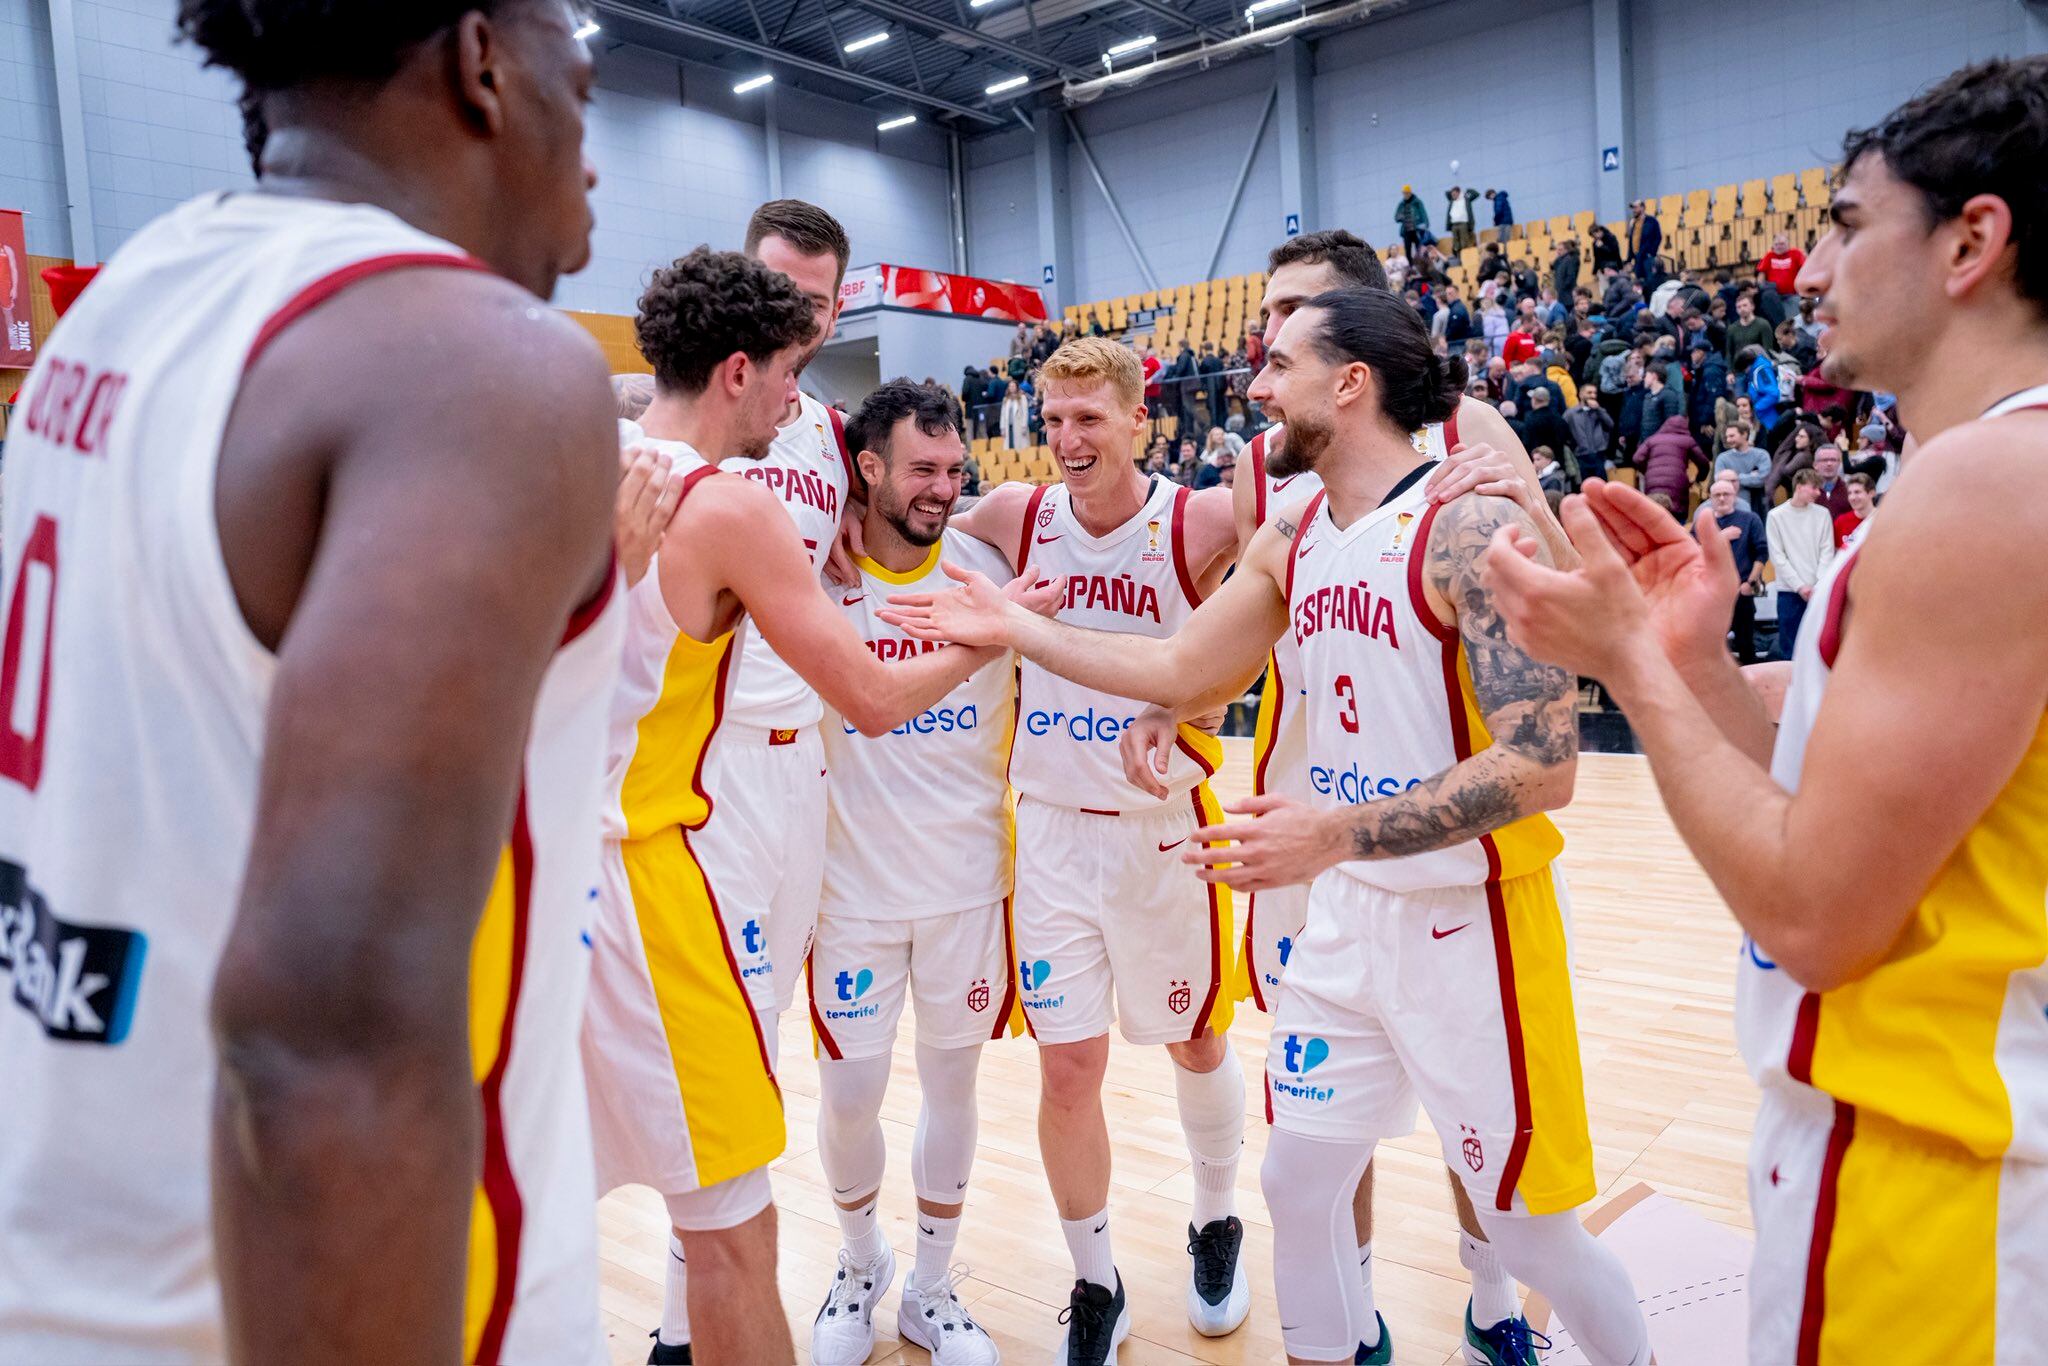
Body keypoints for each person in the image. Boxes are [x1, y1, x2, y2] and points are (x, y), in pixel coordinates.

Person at [0, 2, 629, 1360]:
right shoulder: (481, 371)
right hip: (316, 1307)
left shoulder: (128, 297)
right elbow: (328, 1037)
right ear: (481, 65)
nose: (593, 152)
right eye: (580, 81)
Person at [884, 287, 1648, 1366]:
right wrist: (1014, 623)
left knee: (1529, 1226)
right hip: (1340, 918)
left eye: (1276, 364)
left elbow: (1542, 765)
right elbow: (1178, 668)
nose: (1251, 386)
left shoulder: (1467, 522)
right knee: (1295, 1183)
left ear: (1350, 382)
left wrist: (1331, 834)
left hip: (1465, 921)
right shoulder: (1294, 532)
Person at [1481, 55, 2048, 1363]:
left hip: (1933, 1180)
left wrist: (1623, 661)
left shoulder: (1985, 487)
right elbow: (1845, 791)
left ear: (1973, 240)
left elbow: (1814, 915)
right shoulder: (1990, 475)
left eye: (1849, 224)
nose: (1809, 263)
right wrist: (1689, 661)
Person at [588, 250, 1052, 1366]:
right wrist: (986, 635)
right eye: (792, 373)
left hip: (539, 875)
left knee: (535, 1206)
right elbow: (878, 696)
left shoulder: (576, 463)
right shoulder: (726, 505)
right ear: (740, 370)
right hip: (656, 872)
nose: (803, 404)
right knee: (736, 1227)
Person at [899, 337, 1248, 1363]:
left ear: (1139, 418)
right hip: (1047, 834)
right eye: (1051, 418)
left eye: (1087, 418)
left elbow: (1282, 577)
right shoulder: (1016, 516)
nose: (1065, 439)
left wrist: (1192, 700)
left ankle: (1215, 1215)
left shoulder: (1197, 520)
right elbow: (902, 535)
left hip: (1162, 837)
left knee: (1194, 1039)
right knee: (1065, 1072)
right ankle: (1095, 1280)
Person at [806, 381, 1014, 1366]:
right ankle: (860, 1262)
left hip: (968, 885)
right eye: (920, 469)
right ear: (868, 470)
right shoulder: (814, 569)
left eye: (952, 468)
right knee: (848, 1094)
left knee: (951, 1085)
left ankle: (932, 1286)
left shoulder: (987, 565)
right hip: (846, 891)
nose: (942, 487)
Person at [1763, 468, 1834, 659]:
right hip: (1789, 591)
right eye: (1814, 488)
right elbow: (1778, 557)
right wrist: (1800, 586)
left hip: (1817, 590)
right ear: (1800, 487)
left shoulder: (1822, 514)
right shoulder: (1776, 516)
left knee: (1817, 646)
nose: (1818, 493)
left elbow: (1827, 552)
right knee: (1790, 647)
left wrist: (1818, 585)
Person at [1703, 476, 1769, 664]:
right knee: (1713, 646)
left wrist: (1751, 583)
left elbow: (1762, 553)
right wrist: (1720, 538)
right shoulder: (1704, 523)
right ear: (1710, 498)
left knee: (1746, 645)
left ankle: (1751, 689)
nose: (1722, 498)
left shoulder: (1750, 519)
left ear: (1735, 496)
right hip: (1713, 593)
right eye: (1717, 495)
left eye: (1726, 494)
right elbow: (1693, 552)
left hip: (1742, 591)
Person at [1636, 412, 1701, 511]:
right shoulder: (1687, 440)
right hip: (1677, 485)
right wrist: (1699, 478)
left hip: (1652, 485)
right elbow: (1703, 462)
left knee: (1653, 513)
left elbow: (1637, 458)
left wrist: (1647, 471)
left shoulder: (1652, 439)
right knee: (1676, 518)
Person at [1713, 421, 1771, 515]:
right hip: (1732, 509)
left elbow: (1762, 479)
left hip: (1758, 507)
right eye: (1727, 436)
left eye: (1732, 436)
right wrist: (1750, 476)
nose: (1728, 440)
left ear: (1744, 434)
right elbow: (1719, 481)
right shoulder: (1722, 458)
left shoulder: (1762, 455)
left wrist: (1732, 478)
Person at [1566, 384, 1616, 479]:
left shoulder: (1599, 411)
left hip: (1598, 454)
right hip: (1581, 455)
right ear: (1581, 394)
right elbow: (1564, 430)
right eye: (1589, 392)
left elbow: (1610, 424)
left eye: (1594, 393)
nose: (1593, 395)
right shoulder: (1571, 413)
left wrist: (1598, 409)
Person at [1724, 293, 1775, 365]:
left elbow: (1768, 350)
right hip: (1739, 370)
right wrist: (1729, 372)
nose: (1742, 309)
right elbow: (1729, 353)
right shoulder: (1732, 329)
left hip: (1757, 366)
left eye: (1745, 305)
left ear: (1752, 306)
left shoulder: (1763, 324)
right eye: (1739, 307)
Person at [1832, 470, 1874, 546]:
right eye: (1849, 493)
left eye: (1857, 492)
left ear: (1871, 493)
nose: (1852, 497)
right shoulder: (1841, 522)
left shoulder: (1883, 519)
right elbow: (1838, 553)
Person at [1627, 200, 1662, 283]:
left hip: (1647, 257)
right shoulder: (1633, 223)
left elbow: (1658, 237)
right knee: (1639, 282)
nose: (1634, 210)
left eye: (1636, 207)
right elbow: (1632, 241)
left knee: (1650, 281)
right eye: (1633, 208)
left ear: (1642, 207)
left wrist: (1651, 252)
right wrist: (1629, 258)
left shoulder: (1651, 221)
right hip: (1637, 258)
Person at [1395, 184, 1430, 261]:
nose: (1405, 195)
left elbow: (1423, 214)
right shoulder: (1401, 204)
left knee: (1420, 247)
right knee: (1408, 249)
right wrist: (1401, 217)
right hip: (1406, 231)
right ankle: (1411, 266)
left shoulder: (1417, 202)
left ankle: (1424, 262)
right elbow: (1396, 217)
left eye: (1406, 193)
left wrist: (1426, 225)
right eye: (1404, 193)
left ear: (1410, 193)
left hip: (1416, 229)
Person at [1000, 379, 1030, 449]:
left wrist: (1024, 426)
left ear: (1016, 387)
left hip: (1019, 425)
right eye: (1010, 386)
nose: (1012, 388)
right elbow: (1003, 414)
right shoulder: (1005, 399)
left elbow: (1025, 413)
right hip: (1008, 426)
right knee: (1009, 445)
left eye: (1013, 386)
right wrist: (1002, 428)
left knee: (1020, 446)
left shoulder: (1022, 398)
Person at [1447, 184, 1477, 253]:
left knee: (1464, 242)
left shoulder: (1465, 199)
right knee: (1456, 244)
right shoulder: (1452, 200)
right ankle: (1459, 257)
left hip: (1463, 223)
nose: (1453, 195)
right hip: (1454, 224)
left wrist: (1466, 191)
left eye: (1454, 194)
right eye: (1452, 194)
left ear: (1459, 193)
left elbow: (1476, 194)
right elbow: (1447, 194)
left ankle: (1466, 257)